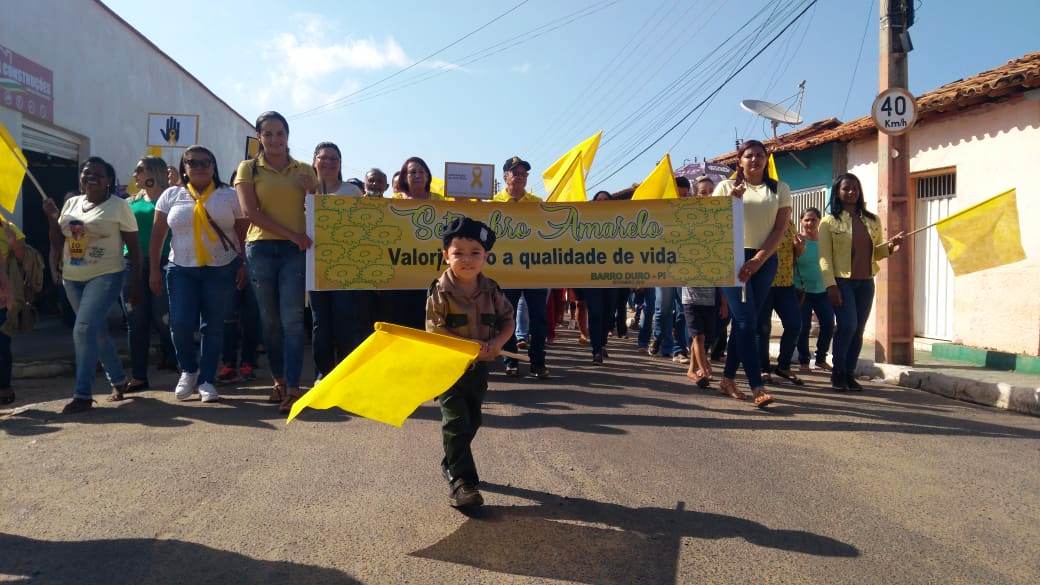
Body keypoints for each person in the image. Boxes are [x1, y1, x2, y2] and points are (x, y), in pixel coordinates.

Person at [426, 217, 514, 508]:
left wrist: (499, 343)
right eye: (458, 252)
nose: (467, 259)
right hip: (449, 369)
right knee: (456, 421)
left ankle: (451, 460)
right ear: (445, 256)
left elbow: (508, 321)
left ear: (486, 257)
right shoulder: (439, 290)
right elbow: (434, 329)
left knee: (473, 419)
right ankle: (463, 483)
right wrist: (465, 345)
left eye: (475, 252)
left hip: (478, 369)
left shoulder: (491, 289)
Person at [43, 157, 141, 413]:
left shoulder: (119, 206)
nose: (91, 177)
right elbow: (57, 240)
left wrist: (135, 284)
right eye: (86, 173)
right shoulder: (71, 203)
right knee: (96, 332)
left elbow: (135, 249)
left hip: (107, 275)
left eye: (98, 174)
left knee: (83, 330)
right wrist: (53, 218)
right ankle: (119, 380)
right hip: (72, 278)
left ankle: (83, 394)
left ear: (109, 180)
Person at [235, 111, 317, 413]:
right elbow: (250, 213)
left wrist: (313, 191)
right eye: (267, 133)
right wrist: (292, 235)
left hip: (294, 253)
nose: (274, 139)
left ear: (287, 135)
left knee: (293, 320)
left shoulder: (305, 170)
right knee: (269, 321)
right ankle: (279, 380)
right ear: (259, 137)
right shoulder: (247, 168)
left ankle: (294, 388)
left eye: (279, 133)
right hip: (260, 249)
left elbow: (320, 211)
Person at [151, 145, 246, 402]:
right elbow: (158, 234)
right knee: (180, 324)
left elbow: (242, 232)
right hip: (181, 269)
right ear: (185, 167)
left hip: (221, 269)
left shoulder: (228, 195)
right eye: (193, 162)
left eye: (206, 162)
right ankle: (188, 371)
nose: (200, 167)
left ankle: (206, 380)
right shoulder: (171, 195)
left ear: (214, 166)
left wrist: (244, 264)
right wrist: (153, 271)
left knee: (212, 326)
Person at [712, 141, 791, 408]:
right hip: (732, 258)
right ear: (740, 161)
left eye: (760, 155)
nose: (755, 159)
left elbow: (780, 230)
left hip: (765, 259)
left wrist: (758, 259)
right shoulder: (725, 187)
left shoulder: (779, 188)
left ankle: (727, 379)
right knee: (747, 322)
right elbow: (714, 225)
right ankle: (757, 386)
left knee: (745, 321)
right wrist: (731, 201)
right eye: (749, 156)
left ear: (767, 159)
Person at [819, 173, 904, 392]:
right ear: (837, 191)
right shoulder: (828, 222)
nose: (851, 192)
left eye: (855, 188)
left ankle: (849, 373)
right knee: (847, 326)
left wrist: (891, 246)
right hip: (841, 281)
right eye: (846, 188)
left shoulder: (872, 220)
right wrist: (831, 285)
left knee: (858, 330)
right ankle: (837, 373)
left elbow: (874, 253)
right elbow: (824, 258)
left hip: (865, 282)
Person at [309, 142, 368, 380]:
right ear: (315, 161)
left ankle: (344, 374)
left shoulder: (352, 192)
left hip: (346, 267)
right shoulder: (304, 190)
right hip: (315, 267)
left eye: (334, 159)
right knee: (320, 323)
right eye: (324, 158)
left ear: (340, 163)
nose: (329, 163)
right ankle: (323, 373)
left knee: (345, 321)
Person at [491, 156, 549, 378]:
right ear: (505, 176)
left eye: (524, 174)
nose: (521, 177)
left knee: (538, 318)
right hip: (506, 272)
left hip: (534, 270)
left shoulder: (537, 203)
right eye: (516, 173)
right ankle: (511, 360)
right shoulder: (493, 204)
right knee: (507, 317)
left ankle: (538, 362)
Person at [122, 156, 176, 394]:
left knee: (163, 318)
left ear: (154, 171)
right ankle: (139, 376)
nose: (135, 174)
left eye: (140, 169)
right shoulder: (130, 202)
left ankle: (176, 361)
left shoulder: (172, 197)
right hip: (132, 265)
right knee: (136, 321)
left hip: (165, 263)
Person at [382, 157, 444, 331]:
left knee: (427, 319)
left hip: (431, 270)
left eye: (421, 171)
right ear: (404, 176)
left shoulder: (439, 200)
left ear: (427, 176)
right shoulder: (394, 200)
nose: (417, 175)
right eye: (412, 172)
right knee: (401, 320)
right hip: (400, 272)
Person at [757, 221, 804, 386]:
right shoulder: (762, 220)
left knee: (794, 324)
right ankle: (763, 369)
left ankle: (783, 366)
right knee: (762, 329)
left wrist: (799, 248)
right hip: (764, 283)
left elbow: (795, 254)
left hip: (786, 284)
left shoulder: (789, 224)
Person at [793, 207, 834, 374]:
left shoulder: (825, 241)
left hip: (822, 290)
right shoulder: (796, 240)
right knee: (803, 327)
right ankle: (804, 361)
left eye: (814, 220)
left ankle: (820, 359)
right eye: (806, 220)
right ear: (801, 221)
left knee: (829, 325)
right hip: (802, 291)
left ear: (819, 222)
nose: (810, 223)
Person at [579, 191, 616, 364]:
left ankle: (602, 343)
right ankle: (596, 350)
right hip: (591, 276)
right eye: (598, 200)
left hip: (614, 276)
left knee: (608, 313)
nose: (602, 203)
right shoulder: (586, 222)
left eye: (606, 200)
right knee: (595, 312)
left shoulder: (620, 222)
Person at [0, 217, 26, 405]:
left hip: (2, 293)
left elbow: (21, 257)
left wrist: (12, 242)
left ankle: (4, 386)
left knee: (2, 342)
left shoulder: (9, 228)